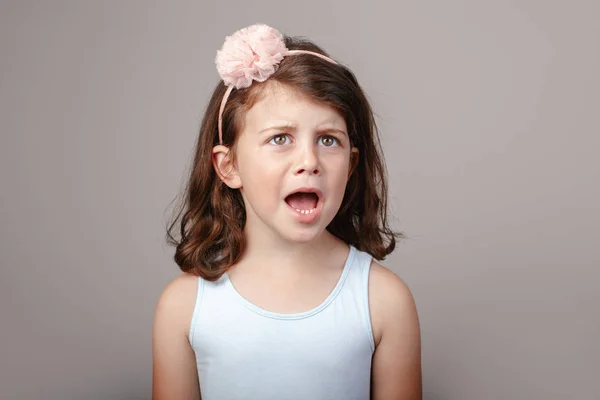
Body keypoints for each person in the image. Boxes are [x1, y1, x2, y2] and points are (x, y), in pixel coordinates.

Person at [152, 24, 421, 400]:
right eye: (280, 139)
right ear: (229, 166)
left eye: (328, 140)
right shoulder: (183, 307)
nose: (309, 161)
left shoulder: (384, 300)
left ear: (351, 164)